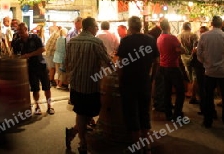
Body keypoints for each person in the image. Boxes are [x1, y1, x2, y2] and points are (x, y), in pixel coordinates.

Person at [65, 17, 111, 154]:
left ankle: (74, 134)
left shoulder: (72, 42)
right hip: (91, 84)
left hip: (75, 84)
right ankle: (83, 143)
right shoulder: (96, 42)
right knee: (86, 113)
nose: (97, 29)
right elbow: (107, 62)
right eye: (96, 27)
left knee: (82, 112)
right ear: (90, 27)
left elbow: (66, 63)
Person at [117, 16, 159, 153]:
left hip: (128, 83)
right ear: (140, 26)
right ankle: (146, 144)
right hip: (144, 82)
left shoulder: (126, 41)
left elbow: (121, 64)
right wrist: (152, 78)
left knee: (131, 113)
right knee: (144, 112)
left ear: (129, 27)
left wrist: (120, 80)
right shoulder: (150, 40)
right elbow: (157, 61)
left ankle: (136, 145)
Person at [197, 16, 224, 130]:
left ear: (211, 23)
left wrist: (206, 62)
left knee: (208, 97)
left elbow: (199, 54)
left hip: (209, 72)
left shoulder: (204, 36)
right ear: (222, 24)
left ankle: (208, 121)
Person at [12, 23, 54, 115]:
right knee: (35, 89)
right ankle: (37, 106)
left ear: (26, 29)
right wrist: (19, 58)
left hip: (41, 65)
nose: (20, 33)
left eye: (21, 31)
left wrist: (29, 55)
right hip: (29, 68)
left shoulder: (35, 38)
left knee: (47, 87)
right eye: (19, 31)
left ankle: (49, 106)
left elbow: (43, 49)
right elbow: (14, 54)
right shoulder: (17, 41)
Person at [157, 19, 186, 121]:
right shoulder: (172, 38)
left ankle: (168, 114)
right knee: (181, 91)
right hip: (173, 67)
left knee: (167, 91)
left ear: (160, 27)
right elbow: (181, 50)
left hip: (163, 66)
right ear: (169, 26)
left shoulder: (159, 38)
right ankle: (177, 114)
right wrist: (181, 50)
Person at [177, 22, 199, 104]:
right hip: (193, 57)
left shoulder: (178, 35)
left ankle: (190, 92)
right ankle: (193, 95)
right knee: (195, 77)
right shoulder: (194, 35)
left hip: (183, 58)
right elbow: (196, 47)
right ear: (190, 27)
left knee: (189, 75)